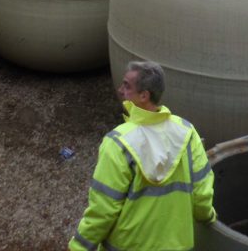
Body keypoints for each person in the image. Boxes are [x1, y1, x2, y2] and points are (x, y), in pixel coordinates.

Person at [69, 61, 216, 251]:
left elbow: (103, 209)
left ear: (144, 96)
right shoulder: (187, 133)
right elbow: (202, 193)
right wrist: (208, 217)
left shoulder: (118, 142)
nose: (121, 90)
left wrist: (79, 246)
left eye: (127, 86)